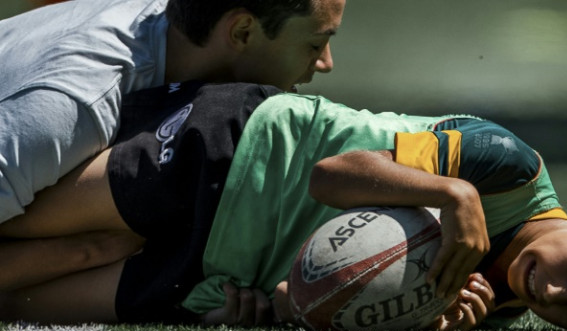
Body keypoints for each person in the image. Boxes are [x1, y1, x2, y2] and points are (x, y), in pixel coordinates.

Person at [0, 81, 567, 331]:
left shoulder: (488, 306)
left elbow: (331, 287)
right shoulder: (504, 167)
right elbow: (330, 177)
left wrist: (289, 307)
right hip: (241, 158)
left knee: (31, 288)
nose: (552, 293)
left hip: (220, 271)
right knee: (19, 213)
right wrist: (451, 193)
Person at [0, 0, 344, 225]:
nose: (326, 63)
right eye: (315, 43)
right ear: (242, 31)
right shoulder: (74, 107)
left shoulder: (168, 24)